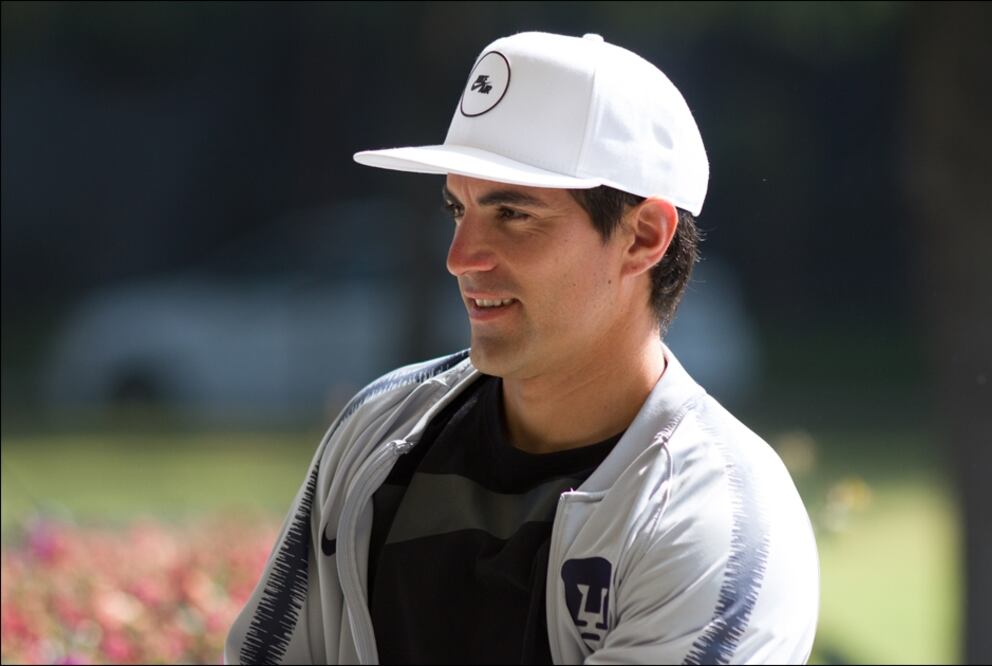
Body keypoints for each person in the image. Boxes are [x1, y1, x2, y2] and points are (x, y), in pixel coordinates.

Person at [226, 31, 818, 665]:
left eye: (513, 214)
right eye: (458, 209)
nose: (459, 259)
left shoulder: (718, 519)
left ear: (644, 235)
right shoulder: (378, 428)